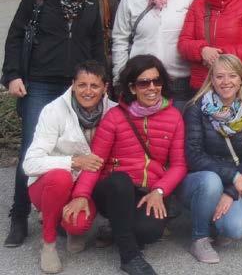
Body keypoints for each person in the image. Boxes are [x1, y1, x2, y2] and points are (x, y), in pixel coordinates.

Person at [1, 0, 105, 247]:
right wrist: (12, 76)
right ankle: (19, 215)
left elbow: (97, 42)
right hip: (41, 82)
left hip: (77, 85)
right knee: (33, 150)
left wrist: (101, 79)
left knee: (77, 148)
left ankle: (59, 213)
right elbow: (16, 36)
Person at [64, 55, 187, 275]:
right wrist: (81, 195)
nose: (152, 87)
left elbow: (179, 165)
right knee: (121, 182)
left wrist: (160, 191)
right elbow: (96, 162)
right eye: (143, 82)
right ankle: (129, 257)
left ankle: (117, 229)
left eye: (156, 81)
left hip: (146, 192)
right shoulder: (115, 117)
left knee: (150, 232)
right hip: (113, 190)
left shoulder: (174, 116)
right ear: (131, 87)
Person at [22, 60, 116, 273]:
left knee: (78, 224)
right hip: (48, 184)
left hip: (85, 187)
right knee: (60, 177)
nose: (88, 91)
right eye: (82, 85)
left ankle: (69, 227)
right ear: (73, 85)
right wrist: (73, 161)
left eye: (95, 86)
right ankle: (48, 244)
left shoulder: (114, 111)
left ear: (105, 88)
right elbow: (30, 163)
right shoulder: (54, 111)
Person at [180, 54, 242, 263]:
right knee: (210, 181)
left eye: (232, 76)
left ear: (241, 79)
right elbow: (194, 156)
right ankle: (200, 238)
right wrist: (234, 177)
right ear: (211, 79)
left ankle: (216, 219)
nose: (226, 82)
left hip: (233, 182)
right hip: (199, 180)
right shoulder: (196, 108)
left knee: (235, 229)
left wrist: (231, 192)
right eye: (219, 76)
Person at [112, 0, 199, 112]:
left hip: (179, 84)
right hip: (142, 82)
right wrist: (120, 77)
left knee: (178, 137)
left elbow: (197, 36)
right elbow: (120, 40)